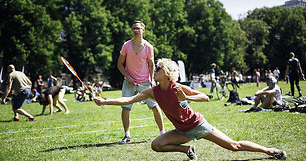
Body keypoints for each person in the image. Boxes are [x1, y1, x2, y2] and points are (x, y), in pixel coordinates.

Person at [94, 58, 286, 160]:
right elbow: (128, 99)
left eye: (158, 68)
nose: (155, 70)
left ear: (167, 72)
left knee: (233, 146)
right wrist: (104, 101)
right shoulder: (151, 92)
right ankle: (187, 150)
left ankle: (270, 151)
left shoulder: (177, 87)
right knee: (156, 145)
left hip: (197, 125)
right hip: (182, 131)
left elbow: (205, 97)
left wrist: (186, 97)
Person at [116, 21, 164, 144]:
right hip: (129, 83)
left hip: (145, 83)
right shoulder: (126, 45)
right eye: (133, 28)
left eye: (138, 28)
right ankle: (127, 135)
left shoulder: (149, 47)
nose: (135, 30)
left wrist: (152, 80)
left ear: (143, 30)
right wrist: (128, 77)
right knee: (125, 109)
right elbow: (119, 64)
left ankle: (162, 134)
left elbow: (152, 65)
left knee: (155, 107)